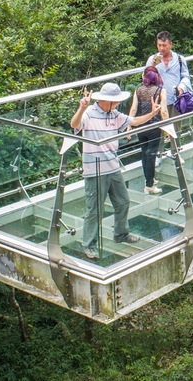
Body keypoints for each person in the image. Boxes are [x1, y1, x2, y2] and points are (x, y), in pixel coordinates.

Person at [70, 82, 162, 260]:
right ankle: (89, 245)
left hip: (112, 165)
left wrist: (153, 113)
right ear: (106, 100)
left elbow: (133, 121)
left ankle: (121, 234)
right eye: (116, 101)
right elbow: (74, 124)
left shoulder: (114, 114)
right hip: (95, 169)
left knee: (123, 202)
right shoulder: (89, 113)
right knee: (94, 209)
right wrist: (81, 108)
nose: (119, 104)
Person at [128, 66, 169, 194]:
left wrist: (129, 125)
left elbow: (134, 109)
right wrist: (167, 129)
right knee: (151, 154)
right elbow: (164, 111)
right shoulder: (160, 91)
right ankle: (149, 184)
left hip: (141, 125)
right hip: (154, 127)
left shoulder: (138, 90)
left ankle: (149, 179)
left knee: (144, 153)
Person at [146, 31, 193, 119]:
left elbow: (185, 77)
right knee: (157, 130)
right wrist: (152, 66)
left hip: (174, 100)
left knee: (174, 129)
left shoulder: (180, 59)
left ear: (170, 44)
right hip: (157, 101)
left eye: (164, 45)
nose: (161, 48)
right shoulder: (152, 59)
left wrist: (181, 87)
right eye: (159, 45)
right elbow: (145, 79)